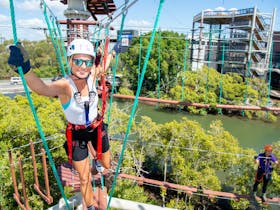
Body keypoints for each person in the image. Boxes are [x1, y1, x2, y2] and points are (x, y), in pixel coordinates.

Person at [8, 38, 114, 210]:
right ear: (70, 61)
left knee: (107, 165)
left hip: (96, 127)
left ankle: (97, 164)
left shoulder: (92, 74)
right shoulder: (66, 85)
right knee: (84, 177)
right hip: (77, 133)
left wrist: (112, 54)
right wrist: (25, 69)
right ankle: (90, 207)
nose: (83, 66)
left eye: (87, 61)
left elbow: (103, 66)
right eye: (78, 61)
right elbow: (43, 88)